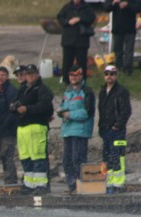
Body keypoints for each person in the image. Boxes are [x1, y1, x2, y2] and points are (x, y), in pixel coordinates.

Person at [12, 64, 54, 195]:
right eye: (27, 74)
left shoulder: (42, 89)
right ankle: (29, 184)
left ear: (37, 74)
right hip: (22, 127)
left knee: (38, 157)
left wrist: (27, 109)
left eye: (31, 73)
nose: (29, 76)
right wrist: (14, 107)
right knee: (25, 157)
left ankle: (41, 185)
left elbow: (44, 106)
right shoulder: (23, 89)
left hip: (36, 126)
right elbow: (15, 103)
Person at [57, 65, 95, 194]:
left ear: (81, 76)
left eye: (76, 75)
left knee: (77, 159)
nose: (73, 77)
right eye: (71, 75)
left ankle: (81, 185)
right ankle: (72, 186)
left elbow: (87, 112)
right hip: (67, 130)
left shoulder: (87, 91)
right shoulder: (67, 91)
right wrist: (61, 112)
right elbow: (63, 106)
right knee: (66, 161)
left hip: (80, 131)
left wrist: (70, 114)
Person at [98, 65, 132, 193]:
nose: (109, 76)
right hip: (105, 130)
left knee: (117, 157)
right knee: (107, 158)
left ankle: (118, 184)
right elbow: (101, 111)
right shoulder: (102, 91)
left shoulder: (122, 91)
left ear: (116, 76)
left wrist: (117, 126)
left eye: (112, 74)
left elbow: (126, 111)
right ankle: (109, 183)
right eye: (106, 74)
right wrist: (101, 128)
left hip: (117, 131)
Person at [57, 0, 96, 84]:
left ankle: (82, 83)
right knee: (67, 63)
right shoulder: (67, 7)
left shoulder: (87, 7)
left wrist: (80, 19)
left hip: (82, 40)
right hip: (68, 40)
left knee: (82, 63)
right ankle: (66, 82)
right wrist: (67, 22)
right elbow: (60, 17)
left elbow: (92, 18)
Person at [0, 66, 19, 185]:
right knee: (3, 155)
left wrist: (6, 123)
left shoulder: (11, 90)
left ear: (7, 76)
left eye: (3, 75)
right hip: (1, 129)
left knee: (7, 154)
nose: (0, 77)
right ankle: (8, 179)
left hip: (9, 129)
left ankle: (11, 180)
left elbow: (13, 112)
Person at [103, 0, 141, 76]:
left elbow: (138, 7)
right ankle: (118, 68)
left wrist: (127, 4)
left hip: (129, 29)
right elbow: (106, 8)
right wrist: (113, 3)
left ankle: (127, 70)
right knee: (117, 51)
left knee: (129, 51)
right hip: (117, 28)